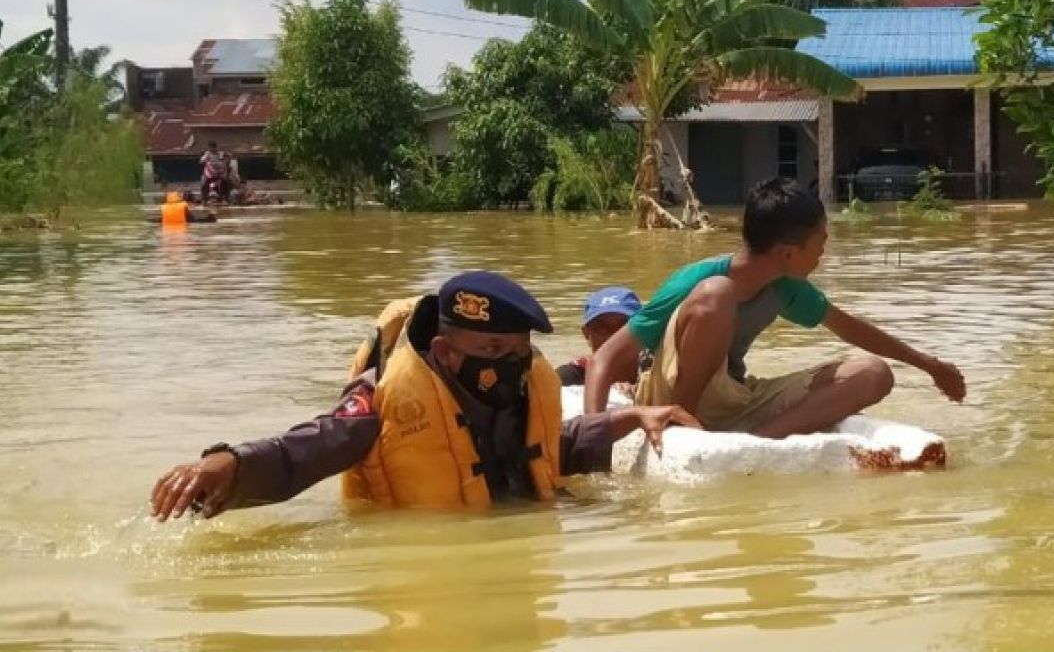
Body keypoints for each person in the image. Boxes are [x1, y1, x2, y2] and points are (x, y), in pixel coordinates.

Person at [150, 271, 697, 520]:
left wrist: (634, 417)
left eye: (519, 350)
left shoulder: (526, 384)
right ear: (448, 351)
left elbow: (553, 448)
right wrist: (229, 464)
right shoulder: (385, 401)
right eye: (494, 348)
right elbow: (308, 449)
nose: (512, 364)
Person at [584, 177, 966, 438]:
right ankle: (680, 428)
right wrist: (591, 433)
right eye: (820, 241)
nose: (823, 252)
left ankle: (761, 439)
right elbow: (605, 359)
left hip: (734, 398)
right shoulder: (697, 282)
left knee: (873, 373)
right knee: (717, 295)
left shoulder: (786, 286)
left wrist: (929, 365)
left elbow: (850, 328)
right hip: (668, 399)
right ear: (788, 252)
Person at [554, 286, 644, 387]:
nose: (613, 336)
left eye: (623, 327)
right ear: (586, 334)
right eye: (602, 327)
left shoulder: (658, 373)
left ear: (643, 331)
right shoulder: (568, 379)